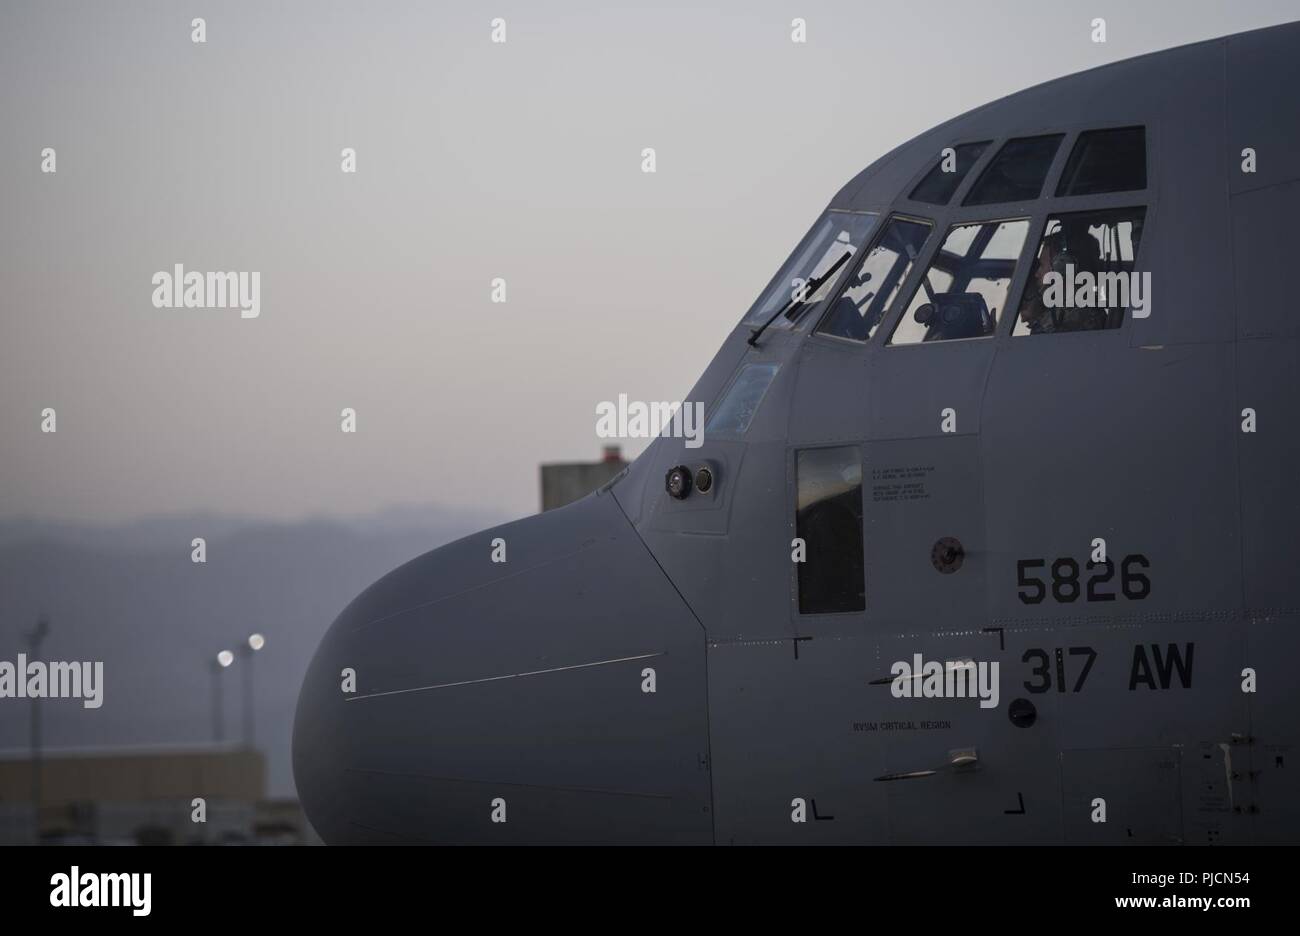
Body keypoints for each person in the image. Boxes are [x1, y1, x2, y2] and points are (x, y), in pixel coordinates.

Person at [1018, 221, 1106, 334]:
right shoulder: (1093, 313)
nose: (1037, 274)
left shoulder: (1058, 326)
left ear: (1061, 267)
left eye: (1042, 265)